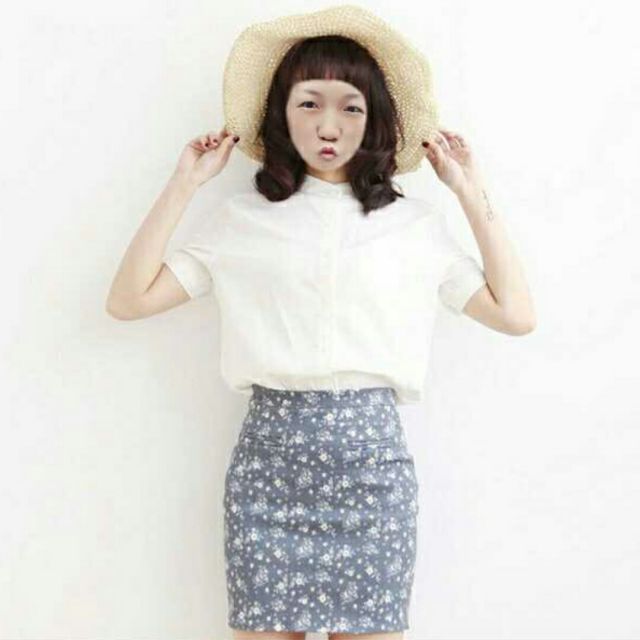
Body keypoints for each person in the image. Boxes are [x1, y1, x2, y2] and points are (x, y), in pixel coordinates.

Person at [106, 6, 536, 640]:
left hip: (374, 472)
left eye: (350, 108)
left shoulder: (414, 226)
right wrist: (184, 185)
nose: (328, 126)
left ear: (375, 118)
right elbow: (128, 300)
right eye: (309, 103)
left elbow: (515, 315)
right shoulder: (242, 221)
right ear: (281, 113)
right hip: (268, 470)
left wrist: (469, 192)